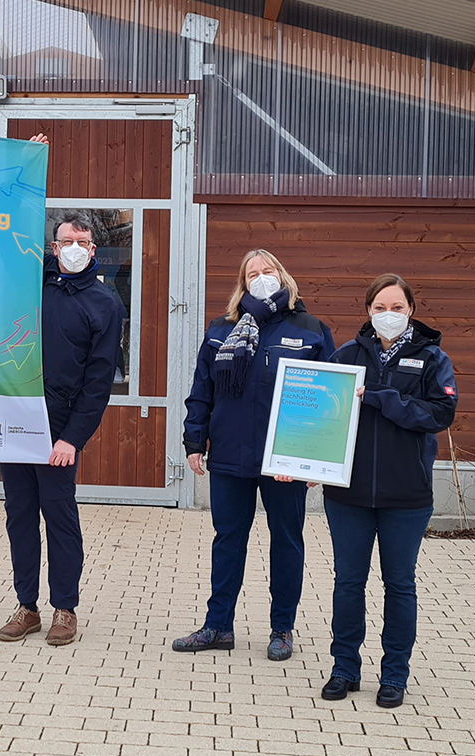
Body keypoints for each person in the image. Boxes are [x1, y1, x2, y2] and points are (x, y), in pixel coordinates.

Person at [172, 250, 335, 659]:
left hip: (284, 461)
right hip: (229, 455)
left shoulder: (312, 331)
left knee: (286, 542)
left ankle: (283, 629)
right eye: (253, 274)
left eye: (268, 271)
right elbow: (201, 392)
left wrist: (316, 458)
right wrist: (195, 442)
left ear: (283, 276)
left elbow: (327, 399)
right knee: (228, 541)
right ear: (243, 284)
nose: (262, 278)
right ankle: (217, 626)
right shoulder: (221, 330)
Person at [320, 273, 457, 708]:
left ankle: (394, 675)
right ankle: (344, 668)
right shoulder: (344, 355)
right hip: (348, 495)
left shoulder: (433, 358)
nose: (389, 315)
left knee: (399, 585)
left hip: (406, 496)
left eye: (397, 307)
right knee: (348, 583)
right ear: (367, 311)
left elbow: (440, 413)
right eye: (380, 307)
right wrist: (302, 461)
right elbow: (323, 415)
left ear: (411, 311)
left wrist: (379, 396)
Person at [0, 206, 124, 647]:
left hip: (59, 430)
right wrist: (32, 163)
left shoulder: (105, 304)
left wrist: (73, 437)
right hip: (17, 425)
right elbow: (11, 232)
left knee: (60, 517)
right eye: (66, 242)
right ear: (54, 247)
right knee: (19, 517)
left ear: (94, 250)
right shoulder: (33, 282)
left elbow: (99, 380)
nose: (74, 250)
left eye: (83, 244)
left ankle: (64, 608)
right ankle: (26, 606)